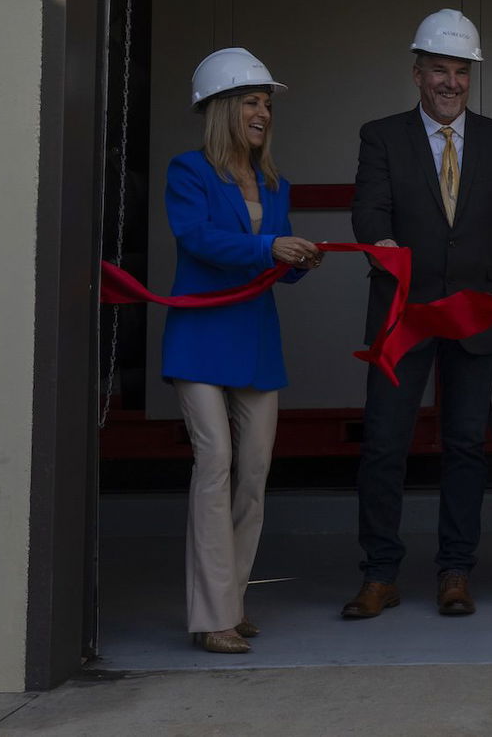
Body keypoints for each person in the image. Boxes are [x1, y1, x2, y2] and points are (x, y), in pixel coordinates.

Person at [342, 9, 492, 620]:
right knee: (385, 445)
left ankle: (456, 571)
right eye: (439, 71)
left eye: (461, 72)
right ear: (417, 73)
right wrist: (383, 246)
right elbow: (368, 212)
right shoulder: (382, 136)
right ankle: (379, 574)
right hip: (404, 318)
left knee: (464, 446)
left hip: (475, 321)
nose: (451, 83)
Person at [163, 47, 320, 654]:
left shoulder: (277, 184)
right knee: (215, 467)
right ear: (223, 109)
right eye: (252, 101)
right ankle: (212, 617)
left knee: (252, 476)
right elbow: (198, 240)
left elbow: (273, 265)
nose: (263, 112)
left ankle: (233, 602)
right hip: (201, 339)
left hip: (255, 343)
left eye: (267, 104)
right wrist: (271, 248)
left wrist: (300, 259)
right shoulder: (188, 171)